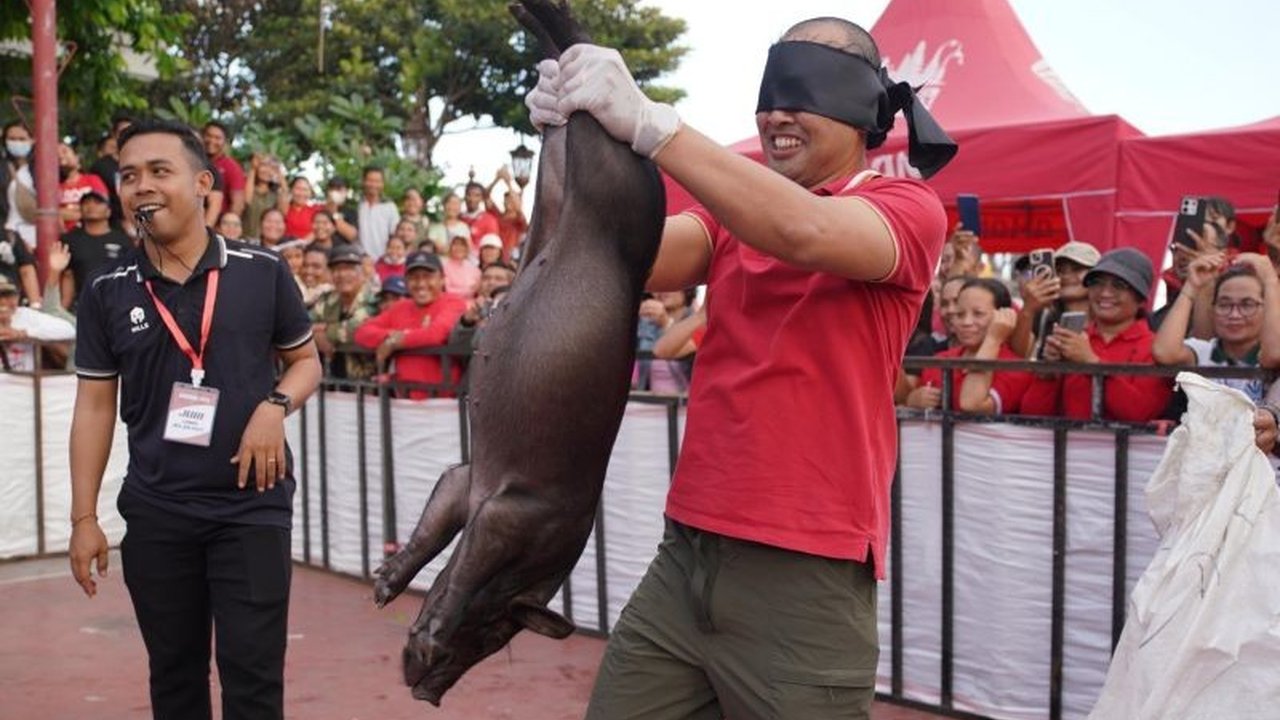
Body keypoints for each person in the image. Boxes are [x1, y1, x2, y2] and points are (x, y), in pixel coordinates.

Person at [528, 15, 954, 718]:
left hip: (805, 570)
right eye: (770, 93)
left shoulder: (906, 207)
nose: (776, 113)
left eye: (803, 90)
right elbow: (605, 256)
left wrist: (656, 127)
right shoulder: (732, 215)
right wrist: (571, 142)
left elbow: (804, 231)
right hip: (688, 554)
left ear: (860, 108)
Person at [67, 118, 321, 720]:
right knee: (175, 680)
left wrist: (274, 405)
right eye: (129, 175)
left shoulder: (263, 271)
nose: (141, 187)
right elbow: (95, 406)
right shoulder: (107, 291)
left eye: (160, 171)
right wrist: (83, 517)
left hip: (251, 508)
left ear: (203, 182)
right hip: (157, 513)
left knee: (254, 682)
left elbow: (305, 362)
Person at [1021, 248, 1173, 421]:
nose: (1105, 293)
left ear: (1141, 299)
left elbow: (1139, 413)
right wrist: (1048, 373)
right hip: (1068, 446)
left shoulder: (1156, 348)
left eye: (1119, 285)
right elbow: (1032, 414)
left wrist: (1091, 363)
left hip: (1124, 448)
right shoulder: (1074, 340)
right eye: (1098, 283)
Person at [1152, 253, 1280, 402]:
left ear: (1266, 309)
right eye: (1224, 305)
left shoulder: (1267, 353)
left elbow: (1274, 355)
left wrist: (1271, 282)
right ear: (1212, 309)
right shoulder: (1203, 352)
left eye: (1247, 304)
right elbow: (1164, 352)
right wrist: (1191, 287)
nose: (1234, 315)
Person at [903, 278, 1033, 414]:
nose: (966, 322)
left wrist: (993, 339)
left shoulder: (1016, 369)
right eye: (960, 314)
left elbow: (971, 404)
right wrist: (912, 400)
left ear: (1003, 316)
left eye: (978, 314)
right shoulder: (940, 360)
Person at [354, 250, 467, 399]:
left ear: (442, 279)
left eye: (428, 277)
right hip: (403, 401)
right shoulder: (400, 307)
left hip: (443, 403)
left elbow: (436, 334)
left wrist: (398, 341)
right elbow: (362, 333)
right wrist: (392, 338)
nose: (420, 284)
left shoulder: (453, 302)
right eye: (414, 278)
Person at [1010, 241, 1100, 358]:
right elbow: (1017, 357)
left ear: (1096, 276)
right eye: (1059, 270)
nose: (1066, 276)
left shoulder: (1110, 319)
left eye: (1077, 269)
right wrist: (1028, 308)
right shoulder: (1041, 316)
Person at [309, 244, 380, 383]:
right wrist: (315, 335)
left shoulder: (374, 299)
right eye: (336, 269)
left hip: (367, 385)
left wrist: (326, 331)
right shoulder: (327, 299)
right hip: (331, 383)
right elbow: (301, 325)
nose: (342, 275)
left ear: (362, 273)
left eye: (349, 269)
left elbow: (357, 330)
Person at [60, 190, 131, 310]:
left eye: (97, 202)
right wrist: (63, 308)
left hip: (117, 305)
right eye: (86, 203)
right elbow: (68, 275)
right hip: (83, 306)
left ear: (108, 211)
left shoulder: (123, 240)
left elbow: (131, 276)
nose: (91, 206)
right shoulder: (70, 239)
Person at [0, 274, 75, 371]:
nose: (3, 301)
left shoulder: (25, 315)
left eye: (8, 295)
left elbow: (68, 330)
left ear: (17, 297)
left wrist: (24, 334)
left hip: (26, 382)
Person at [57, 142, 110, 231]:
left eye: (64, 151)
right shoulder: (54, 186)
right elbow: (54, 214)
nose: (60, 156)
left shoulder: (93, 179)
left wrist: (65, 212)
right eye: (56, 155)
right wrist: (87, 212)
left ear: (77, 157)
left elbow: (103, 208)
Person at [357, 166, 398, 259]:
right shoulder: (357, 205)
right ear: (363, 182)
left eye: (377, 181)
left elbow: (395, 235)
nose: (373, 185)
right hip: (360, 261)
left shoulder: (390, 207)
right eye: (370, 180)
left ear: (383, 184)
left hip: (384, 261)